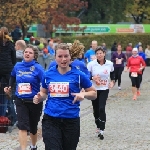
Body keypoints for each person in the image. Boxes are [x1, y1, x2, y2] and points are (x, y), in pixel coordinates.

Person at [33, 43, 97, 150]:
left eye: (66, 56)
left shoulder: (79, 75)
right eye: (60, 56)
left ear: (70, 56)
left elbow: (94, 94)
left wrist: (84, 94)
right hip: (51, 120)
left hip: (71, 121)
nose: (63, 59)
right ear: (55, 57)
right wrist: (39, 97)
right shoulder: (48, 74)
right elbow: (44, 93)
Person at [4, 44, 44, 150]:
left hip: (34, 101)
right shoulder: (18, 66)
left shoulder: (38, 68)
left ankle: (34, 146)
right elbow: (12, 76)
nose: (27, 53)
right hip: (20, 100)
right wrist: (9, 87)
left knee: (33, 127)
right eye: (26, 52)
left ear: (34, 56)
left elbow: (44, 83)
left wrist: (41, 94)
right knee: (22, 126)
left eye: (30, 52)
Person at [87, 46, 115, 140]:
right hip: (94, 89)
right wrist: (92, 78)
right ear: (96, 55)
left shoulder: (109, 64)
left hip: (104, 89)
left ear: (104, 54)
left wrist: (112, 81)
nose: (99, 55)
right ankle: (98, 125)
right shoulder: (91, 64)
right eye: (97, 53)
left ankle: (102, 129)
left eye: (101, 53)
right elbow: (86, 75)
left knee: (101, 108)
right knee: (96, 109)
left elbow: (112, 74)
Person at [0, 27, 16, 126]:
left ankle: (2, 117)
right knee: (7, 95)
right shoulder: (10, 44)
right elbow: (13, 59)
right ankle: (12, 117)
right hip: (8, 72)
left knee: (2, 96)